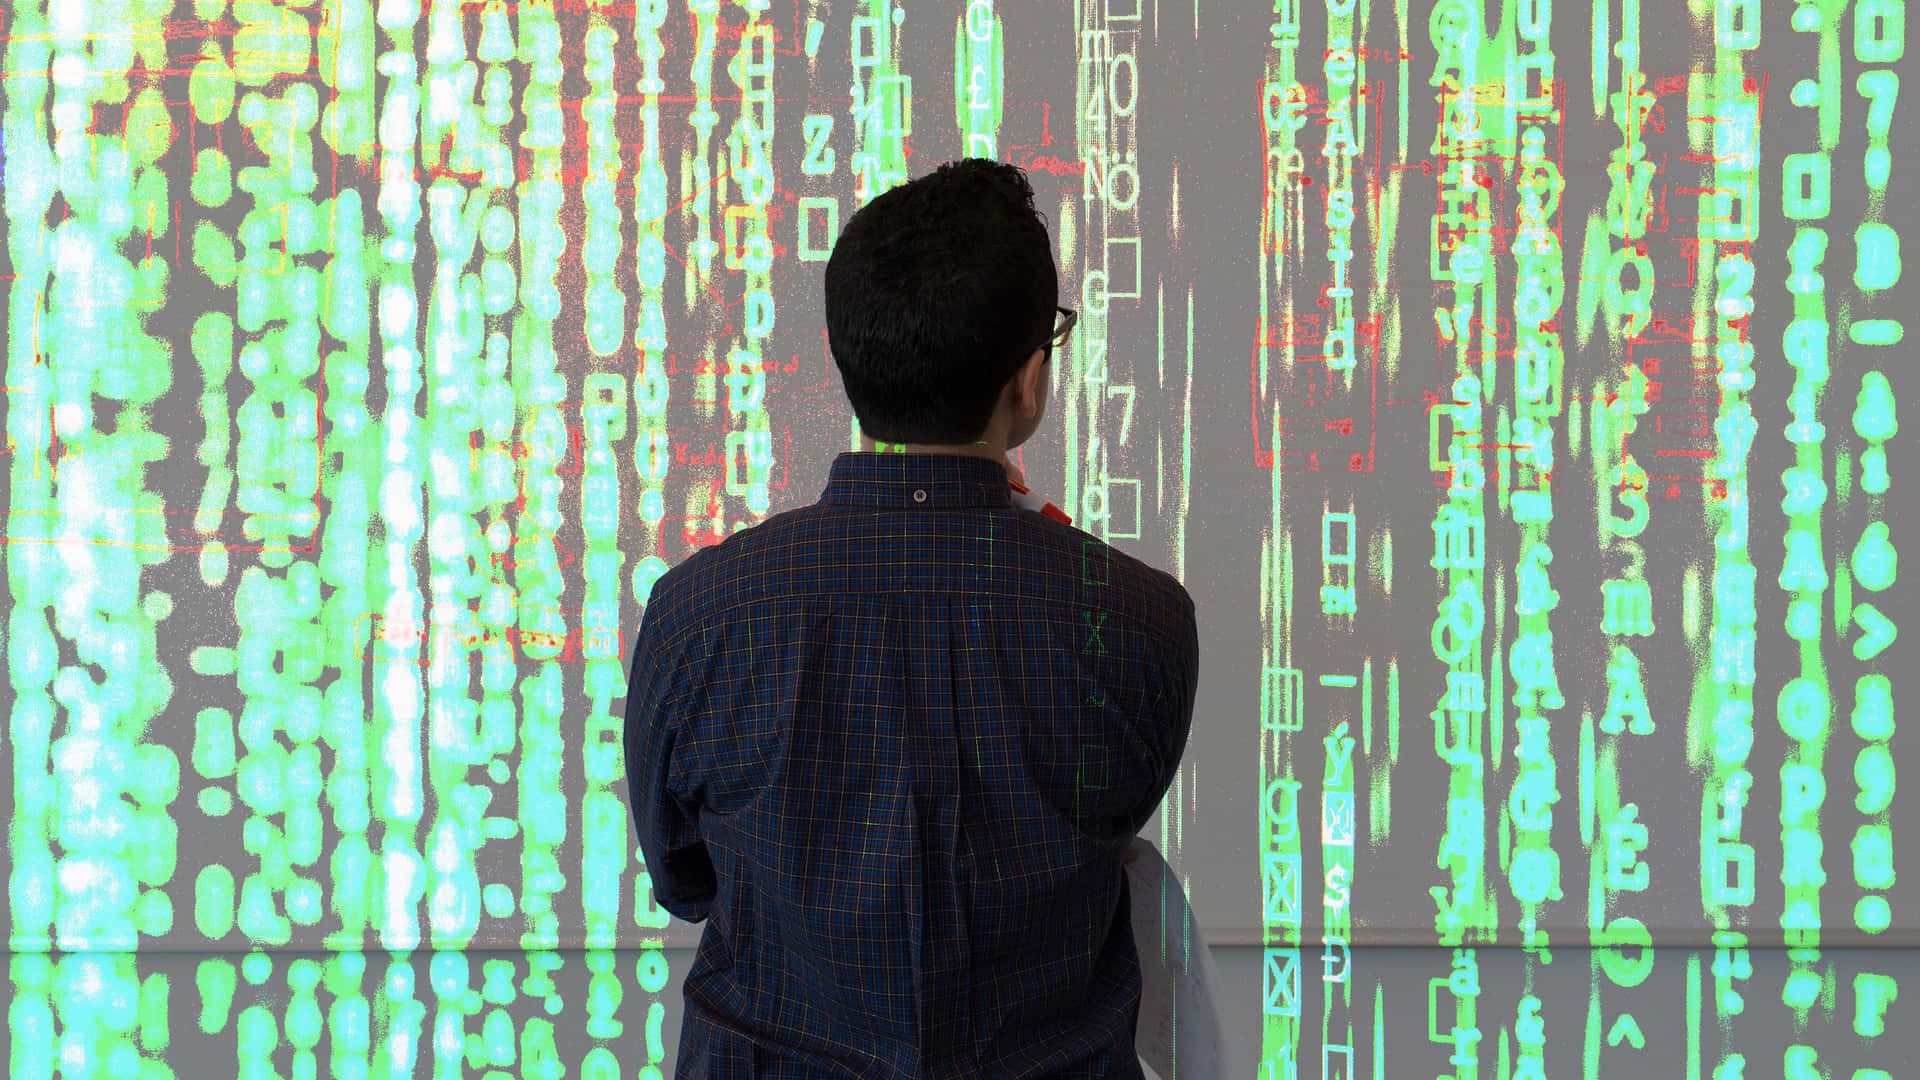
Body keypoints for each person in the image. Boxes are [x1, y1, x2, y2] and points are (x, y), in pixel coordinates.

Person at [623, 158, 1200, 1078]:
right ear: (1030, 380)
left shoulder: (701, 610)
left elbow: (685, 880)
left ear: (850, 354)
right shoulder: (1142, 621)